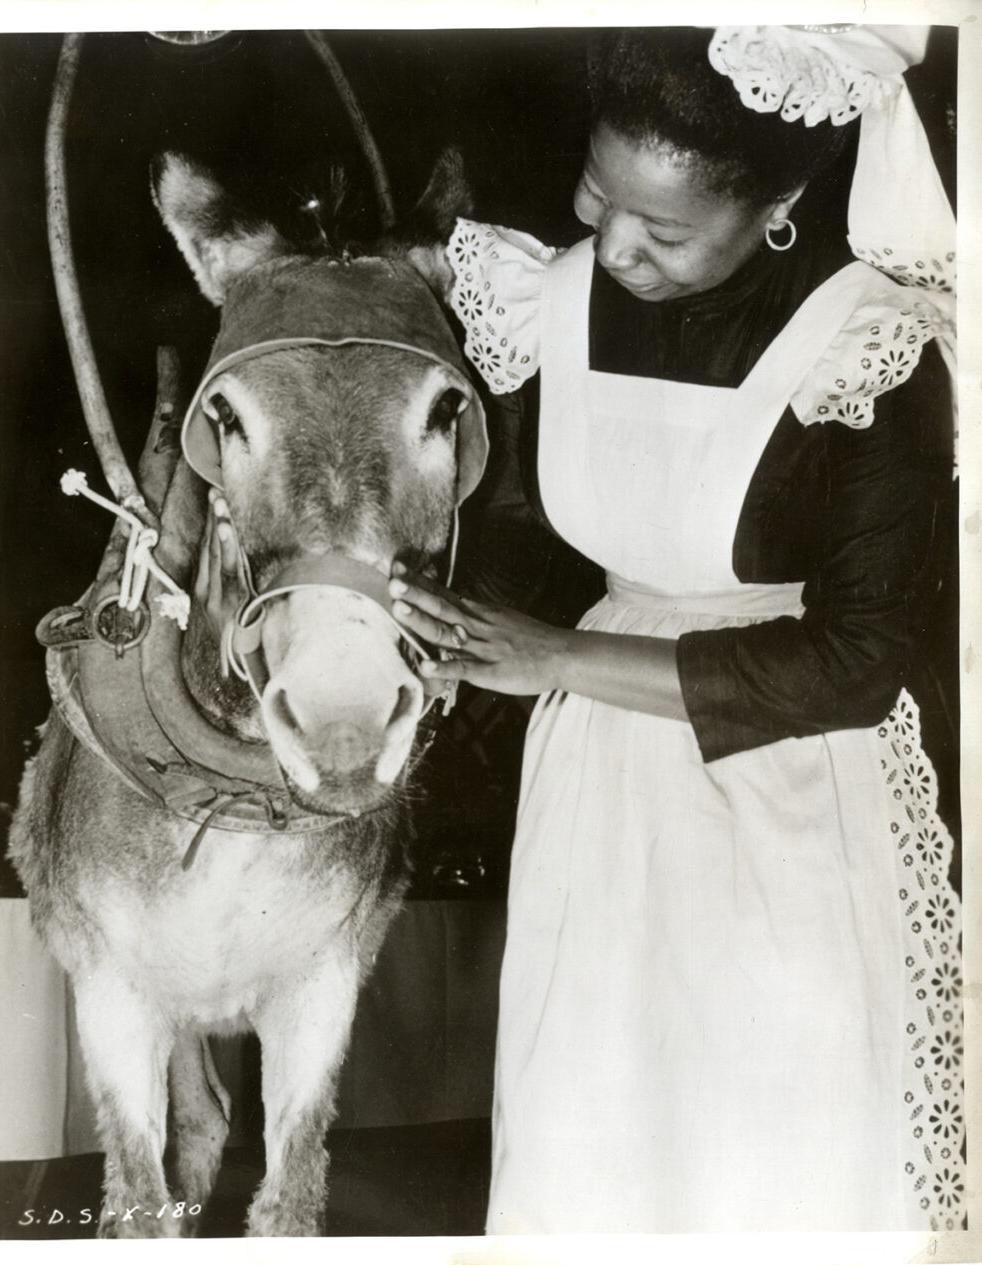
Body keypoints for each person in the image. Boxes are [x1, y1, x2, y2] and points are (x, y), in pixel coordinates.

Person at [387, 26, 963, 1233]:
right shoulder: (552, 298)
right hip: (597, 793)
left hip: (784, 789)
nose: (615, 248)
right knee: (593, 1135)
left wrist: (552, 656)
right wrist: (453, 641)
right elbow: (552, 526)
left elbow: (859, 661)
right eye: (599, 196)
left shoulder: (868, 345)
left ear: (780, 205)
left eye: (665, 229)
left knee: (769, 1153)